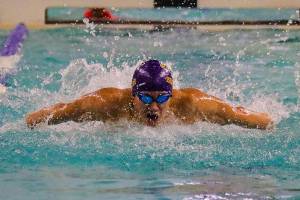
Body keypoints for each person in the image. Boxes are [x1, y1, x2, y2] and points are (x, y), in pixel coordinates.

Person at [26, 60, 273, 129]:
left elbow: (241, 115)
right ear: (133, 94)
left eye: (161, 98)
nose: (154, 107)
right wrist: (33, 121)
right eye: (145, 98)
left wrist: (266, 123)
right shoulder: (105, 104)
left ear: (171, 95)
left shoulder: (193, 104)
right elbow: (60, 111)